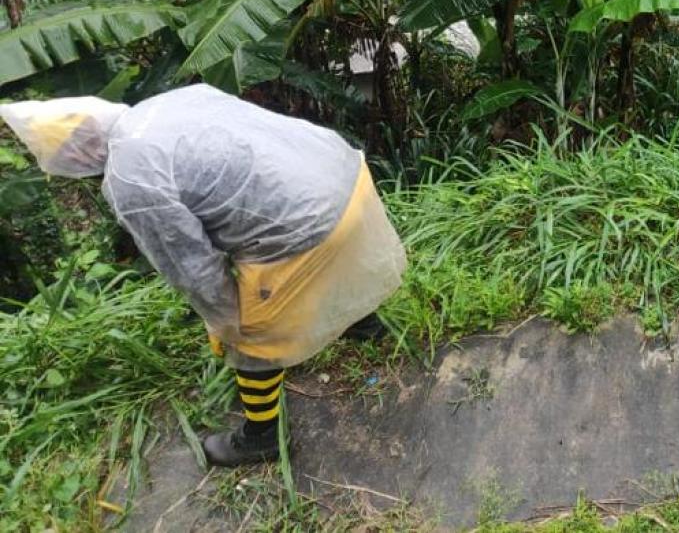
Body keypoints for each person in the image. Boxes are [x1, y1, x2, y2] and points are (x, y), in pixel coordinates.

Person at [0, 86, 406, 467]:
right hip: (343, 175)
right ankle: (366, 324)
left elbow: (193, 269)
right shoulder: (169, 101)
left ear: (75, 157)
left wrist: (226, 322)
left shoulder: (131, 179)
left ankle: (262, 437)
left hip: (310, 229)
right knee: (328, 267)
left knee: (252, 331)